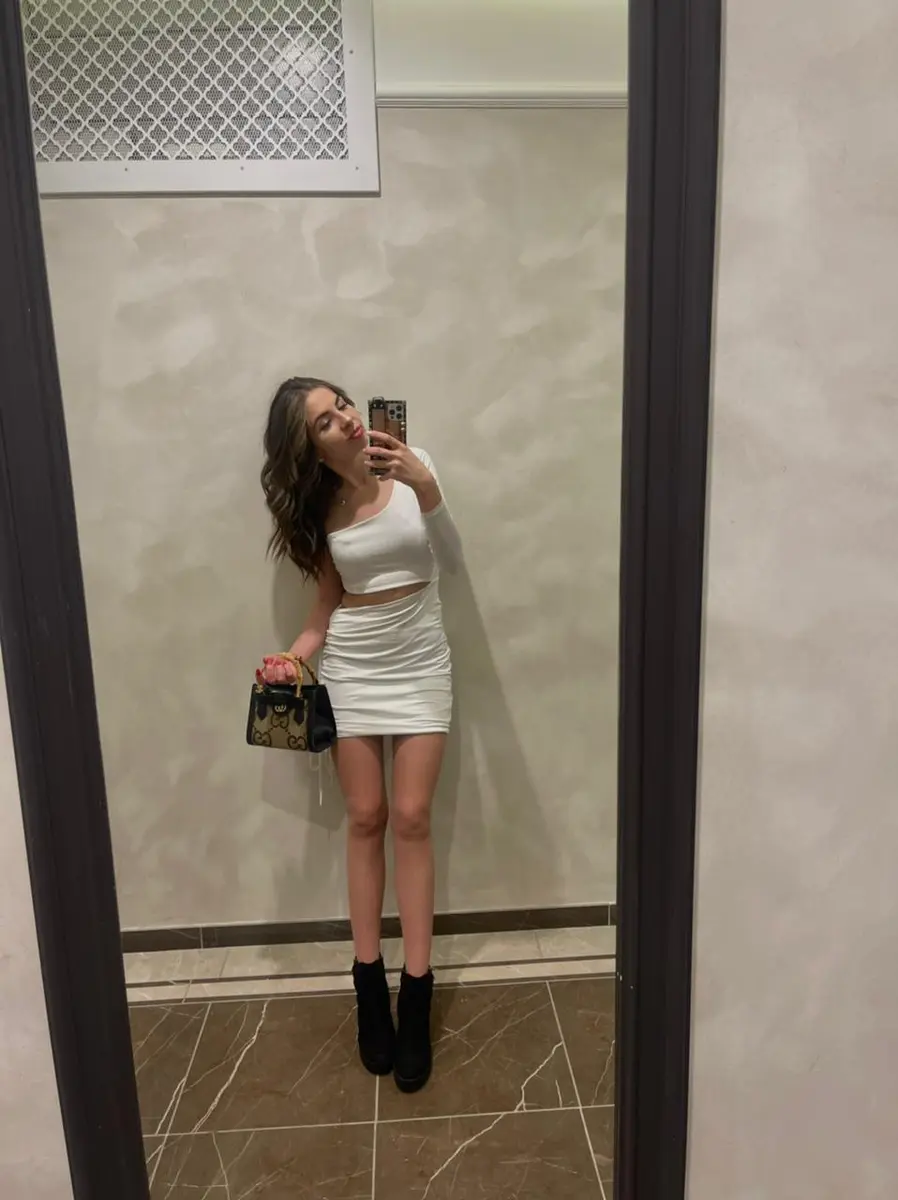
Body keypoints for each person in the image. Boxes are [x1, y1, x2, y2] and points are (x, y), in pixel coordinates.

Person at [258, 377, 462, 1094]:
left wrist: (425, 485)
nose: (343, 419)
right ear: (309, 448)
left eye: (340, 404)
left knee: (412, 817)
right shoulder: (323, 510)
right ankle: (369, 987)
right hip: (352, 666)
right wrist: (292, 659)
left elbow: (449, 560)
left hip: (420, 659)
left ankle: (417, 994)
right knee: (367, 817)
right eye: (323, 421)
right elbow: (326, 607)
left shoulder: (414, 467)